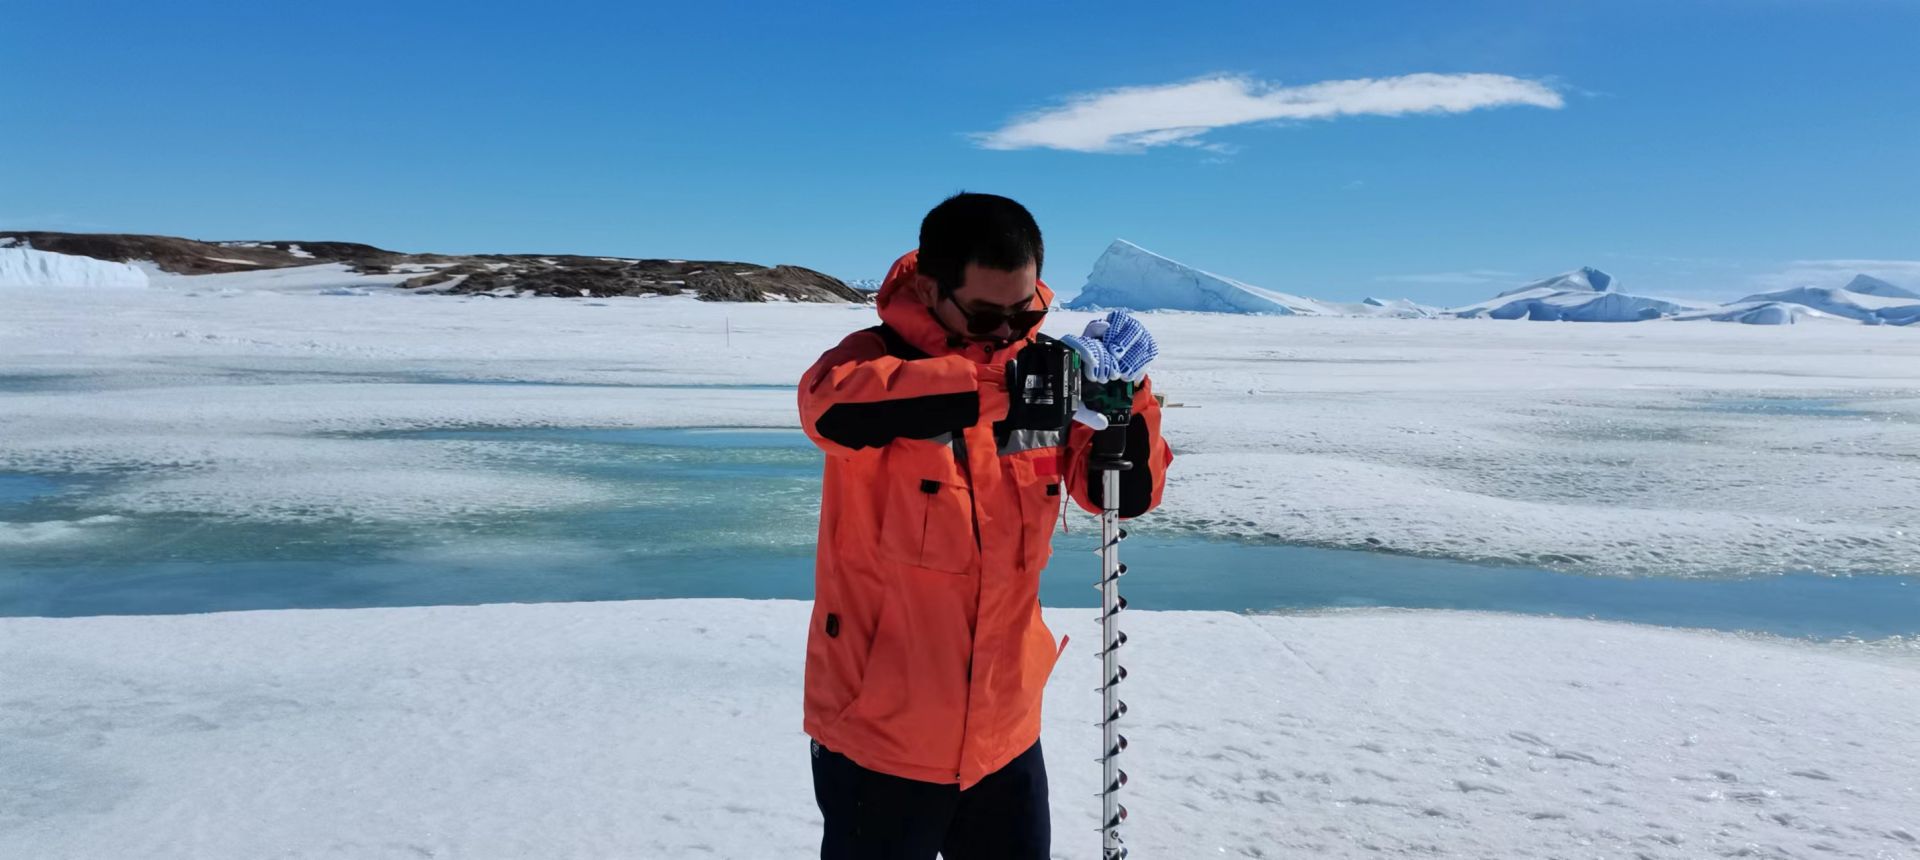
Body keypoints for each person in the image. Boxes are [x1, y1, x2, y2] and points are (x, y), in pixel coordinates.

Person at [796, 192, 1172, 859]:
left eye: (1024, 313)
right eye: (987, 314)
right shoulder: (870, 365)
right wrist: (1013, 385)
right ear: (931, 288)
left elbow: (1122, 493)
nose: (1006, 332)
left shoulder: (1044, 376)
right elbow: (832, 412)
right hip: (880, 735)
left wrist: (1126, 401)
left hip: (1005, 733)